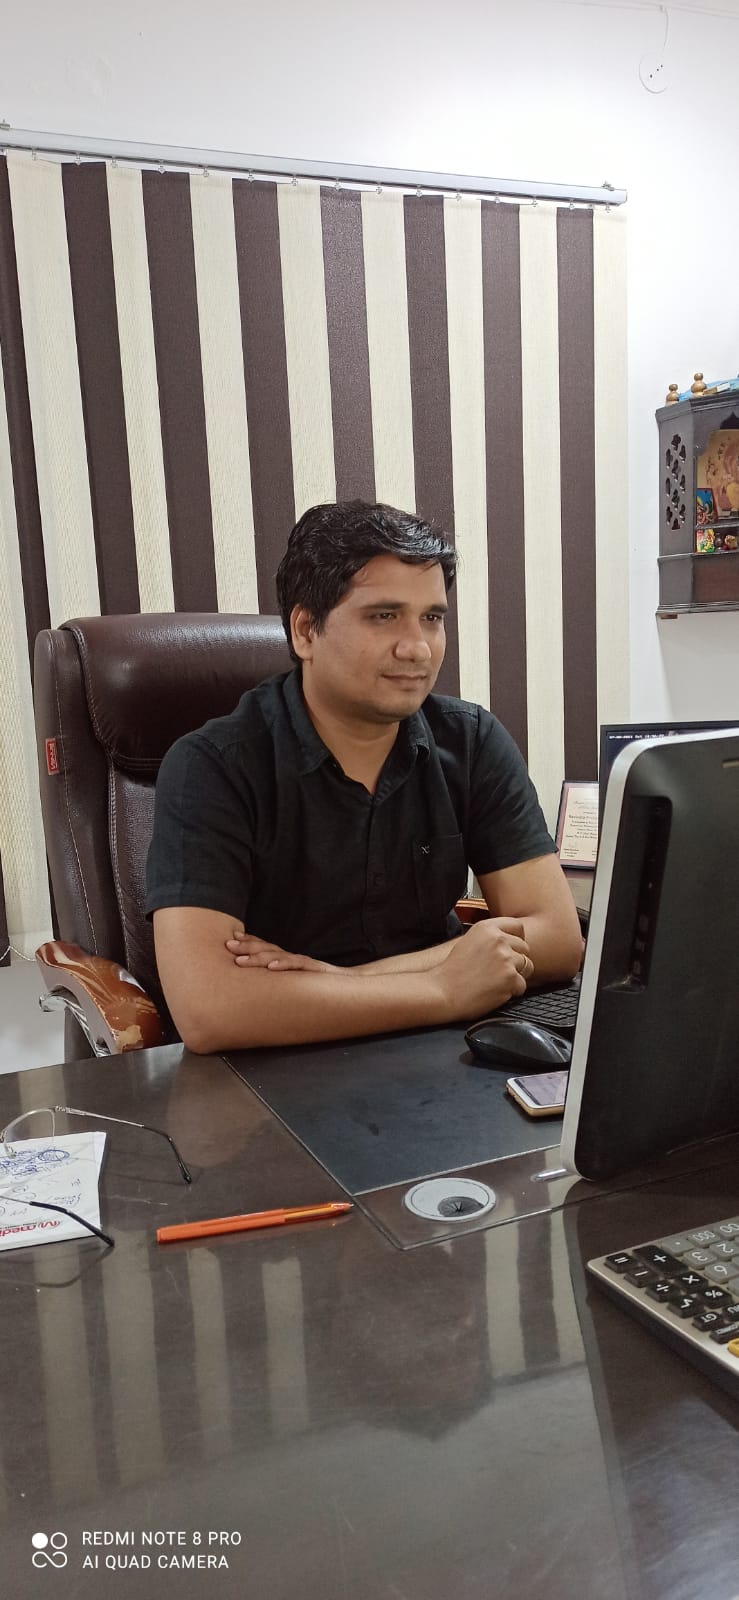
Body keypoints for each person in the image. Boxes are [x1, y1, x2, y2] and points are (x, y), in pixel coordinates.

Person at [146, 501, 582, 1052]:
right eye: (383, 616)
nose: (417, 647)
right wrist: (443, 988)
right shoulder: (212, 765)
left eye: (432, 617)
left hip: (445, 1052)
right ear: (305, 630)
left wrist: (346, 980)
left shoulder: (471, 741)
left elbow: (560, 938)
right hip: (279, 1071)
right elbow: (209, 1010)